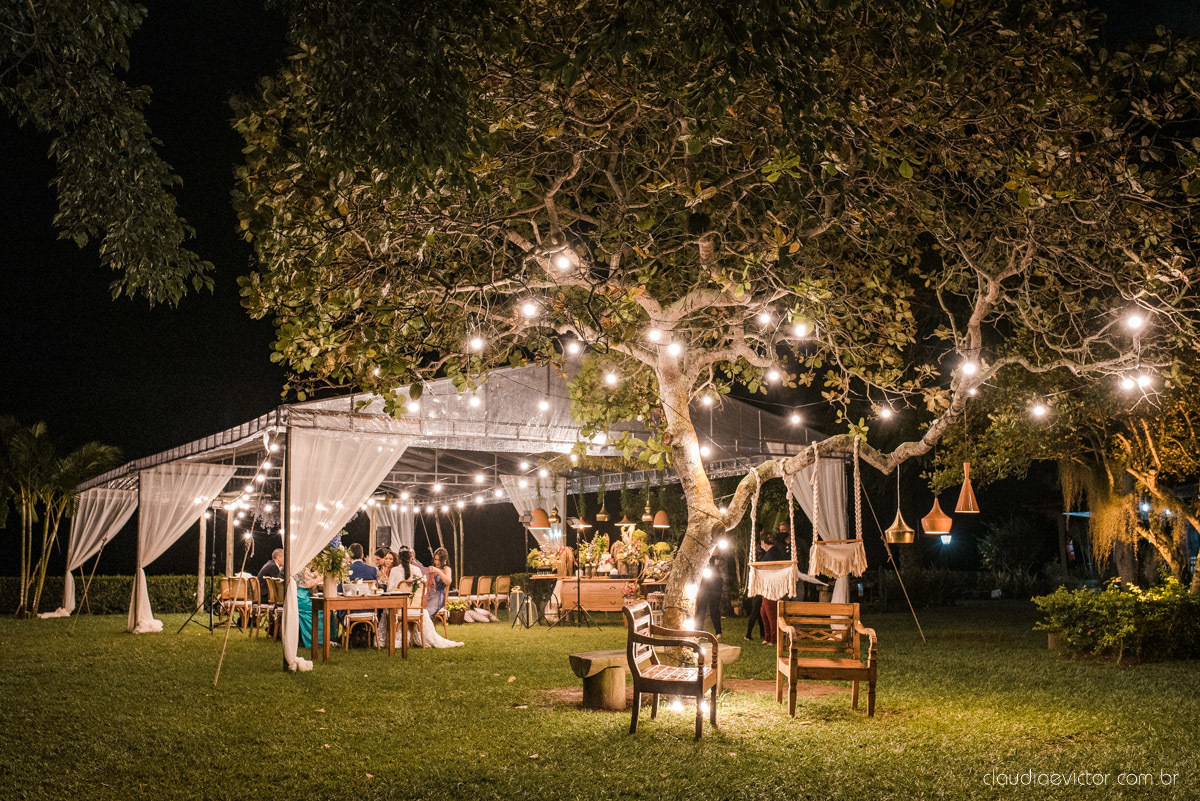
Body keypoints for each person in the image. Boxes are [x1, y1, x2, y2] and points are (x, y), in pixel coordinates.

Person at [377, 546, 463, 648]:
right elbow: (424, 590)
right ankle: (415, 638)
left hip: (399, 609)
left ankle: (389, 639)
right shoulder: (417, 570)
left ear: (399, 558)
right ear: (410, 558)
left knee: (387, 611)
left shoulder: (395, 571)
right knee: (425, 612)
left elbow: (390, 591)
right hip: (415, 609)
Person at [744, 538, 774, 642]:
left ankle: (763, 634)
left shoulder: (766, 554)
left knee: (762, 611)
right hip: (760, 585)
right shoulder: (761, 554)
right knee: (758, 610)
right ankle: (749, 633)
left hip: (762, 584)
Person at [759, 537, 786, 646]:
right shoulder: (771, 553)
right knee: (764, 612)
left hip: (771, 586)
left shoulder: (772, 553)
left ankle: (774, 639)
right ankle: (768, 636)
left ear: (763, 542)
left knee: (771, 614)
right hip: (767, 586)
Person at [694, 552, 725, 639]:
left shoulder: (716, 554)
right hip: (703, 584)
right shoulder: (700, 554)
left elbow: (722, 560)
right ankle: (698, 631)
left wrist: (717, 562)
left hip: (715, 584)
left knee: (714, 608)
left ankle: (718, 632)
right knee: (701, 608)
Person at [425, 547, 451, 617]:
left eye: (439, 560)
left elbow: (448, 582)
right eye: (435, 559)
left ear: (444, 560)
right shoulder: (432, 568)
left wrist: (438, 571)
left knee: (426, 612)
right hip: (429, 595)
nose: (436, 562)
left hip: (438, 596)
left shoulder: (447, 569)